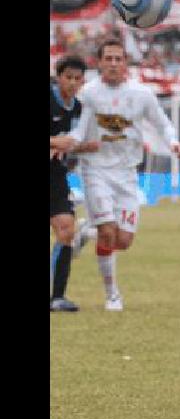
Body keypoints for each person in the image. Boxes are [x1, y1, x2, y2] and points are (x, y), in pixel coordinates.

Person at [50, 38, 180, 311]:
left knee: (123, 241)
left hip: (128, 173)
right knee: (107, 233)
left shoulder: (142, 94)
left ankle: (84, 231)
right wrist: (65, 143)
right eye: (109, 59)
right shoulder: (87, 93)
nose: (114, 64)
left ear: (126, 62)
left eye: (119, 59)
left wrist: (173, 143)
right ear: (99, 62)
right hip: (94, 170)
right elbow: (77, 128)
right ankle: (112, 294)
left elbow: (162, 124)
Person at [50, 55, 100, 311]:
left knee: (67, 230)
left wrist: (83, 147)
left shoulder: (80, 109)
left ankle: (57, 296)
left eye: (77, 78)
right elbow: (60, 141)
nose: (72, 83)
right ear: (58, 77)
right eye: (67, 77)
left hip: (55, 178)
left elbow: (72, 144)